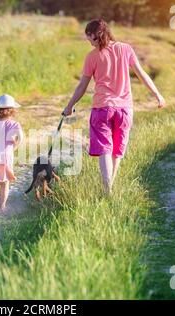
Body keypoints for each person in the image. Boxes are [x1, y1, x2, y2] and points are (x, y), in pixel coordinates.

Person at [63, 18, 166, 194]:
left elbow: (82, 86)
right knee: (117, 150)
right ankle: (109, 188)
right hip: (125, 109)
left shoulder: (92, 57)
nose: (91, 43)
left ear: (97, 36)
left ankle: (107, 189)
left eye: (91, 39)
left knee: (104, 149)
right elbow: (141, 74)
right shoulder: (125, 49)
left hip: (102, 108)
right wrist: (157, 94)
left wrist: (69, 106)